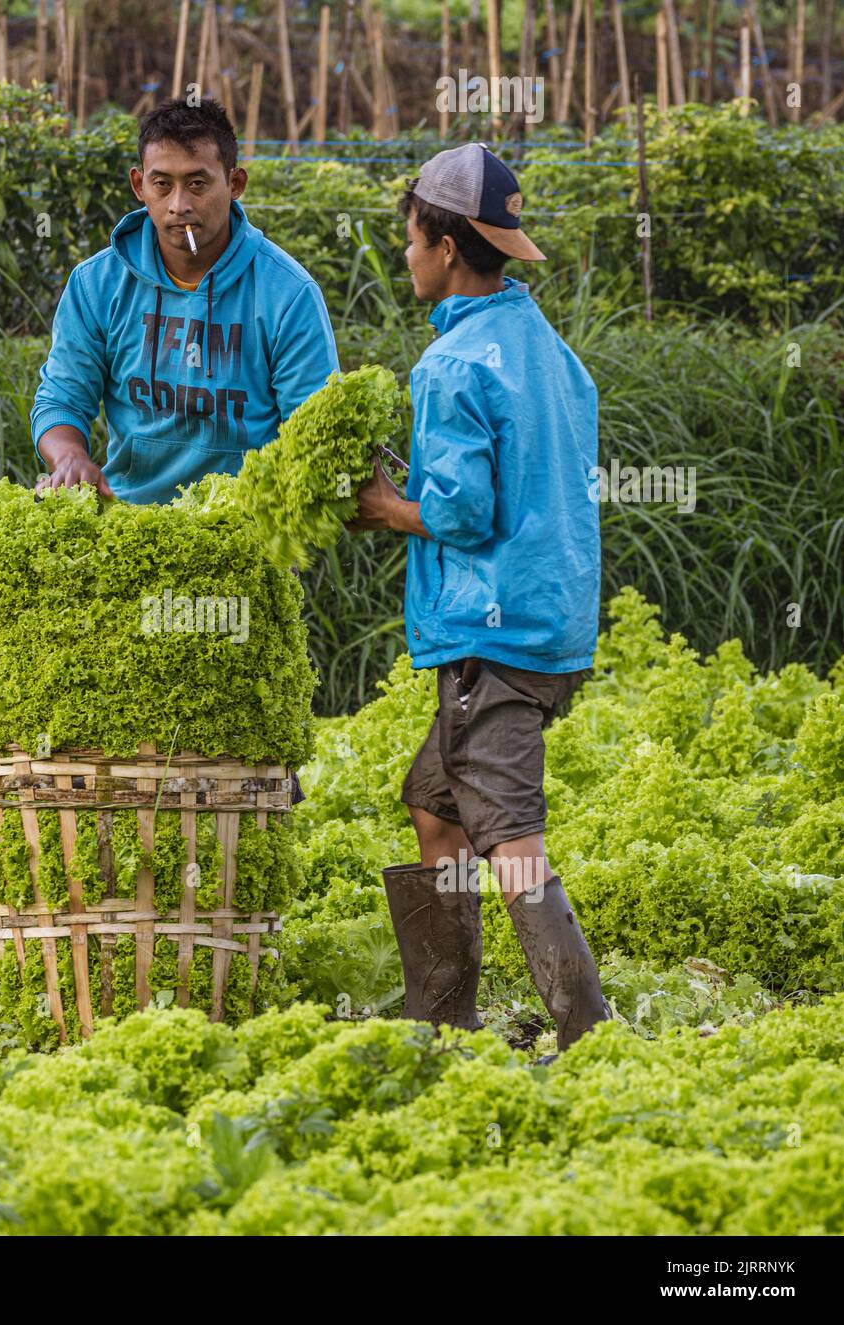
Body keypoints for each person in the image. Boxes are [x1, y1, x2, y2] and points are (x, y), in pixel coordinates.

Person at [352, 142, 610, 1054]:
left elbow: (463, 510)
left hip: (492, 638)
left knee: (512, 840)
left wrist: (385, 507)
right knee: (435, 804)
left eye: (411, 240)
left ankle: (591, 1033)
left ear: (448, 246)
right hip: (552, 627)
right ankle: (445, 1017)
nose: (406, 256)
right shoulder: (546, 347)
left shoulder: (451, 366)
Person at [31, 97, 340, 504]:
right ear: (139, 185)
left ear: (235, 184)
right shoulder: (97, 283)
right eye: (163, 185)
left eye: (198, 183)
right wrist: (69, 456)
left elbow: (316, 431)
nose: (180, 205)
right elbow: (61, 400)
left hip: (247, 528)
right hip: (129, 520)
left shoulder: (288, 293)